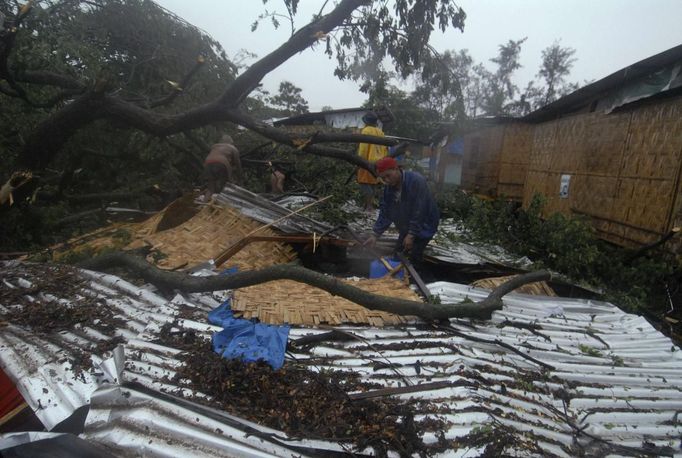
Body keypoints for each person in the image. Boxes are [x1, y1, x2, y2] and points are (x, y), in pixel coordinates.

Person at [364, 156, 440, 268]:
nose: (386, 180)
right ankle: (397, 276)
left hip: (424, 224)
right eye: (383, 178)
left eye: (388, 176)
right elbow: (386, 212)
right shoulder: (389, 189)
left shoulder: (416, 181)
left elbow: (419, 210)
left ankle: (416, 279)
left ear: (396, 169)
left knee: (414, 254)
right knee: (398, 253)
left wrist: (411, 234)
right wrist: (375, 234)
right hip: (407, 224)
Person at [357, 111, 388, 212]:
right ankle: (367, 206)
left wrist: (359, 160)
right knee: (373, 183)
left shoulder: (366, 131)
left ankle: (369, 206)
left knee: (364, 182)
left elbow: (363, 148)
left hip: (367, 161)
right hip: (379, 162)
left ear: (366, 121)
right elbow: (384, 148)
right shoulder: (381, 132)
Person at [203, 135, 243, 200]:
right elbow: (238, 165)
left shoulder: (214, 146)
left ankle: (203, 206)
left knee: (210, 189)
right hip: (222, 162)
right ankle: (224, 206)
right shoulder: (233, 148)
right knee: (225, 187)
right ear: (230, 142)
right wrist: (240, 179)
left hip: (207, 163)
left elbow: (213, 157)